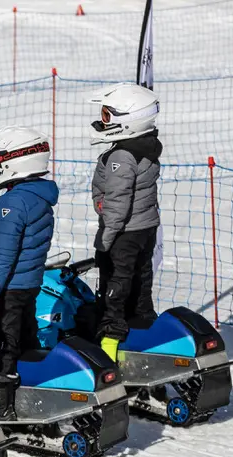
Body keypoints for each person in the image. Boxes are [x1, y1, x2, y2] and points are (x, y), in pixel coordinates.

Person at [0, 126, 58, 421]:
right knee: (26, 334)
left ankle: (3, 402)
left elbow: (3, 253)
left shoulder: (13, 202)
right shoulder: (38, 196)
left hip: (9, 285)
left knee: (4, 343)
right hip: (30, 281)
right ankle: (34, 388)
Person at [88, 82, 162, 361]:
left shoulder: (121, 155)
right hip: (145, 228)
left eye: (108, 115)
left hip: (123, 233)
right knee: (140, 284)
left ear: (128, 119)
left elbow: (117, 202)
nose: (102, 120)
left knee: (115, 290)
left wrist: (105, 240)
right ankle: (143, 335)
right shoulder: (147, 146)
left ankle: (109, 347)